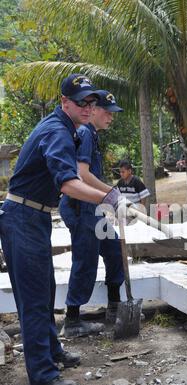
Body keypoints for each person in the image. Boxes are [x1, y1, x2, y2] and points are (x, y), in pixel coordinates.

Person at [0, 74, 124, 385]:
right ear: (64, 102)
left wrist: (107, 195)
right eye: (81, 101)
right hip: (23, 217)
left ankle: (52, 352)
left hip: (34, 216)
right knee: (35, 299)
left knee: (46, 291)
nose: (88, 107)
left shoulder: (66, 129)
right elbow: (69, 184)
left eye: (90, 101)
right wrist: (108, 197)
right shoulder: (58, 132)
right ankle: (42, 377)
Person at [59, 90, 125, 337]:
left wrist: (109, 197)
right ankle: (73, 320)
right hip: (81, 208)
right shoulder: (86, 132)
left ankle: (115, 306)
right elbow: (82, 174)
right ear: (94, 110)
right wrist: (113, 193)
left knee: (114, 249)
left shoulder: (92, 135)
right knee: (86, 260)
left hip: (93, 208)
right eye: (107, 112)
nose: (111, 117)